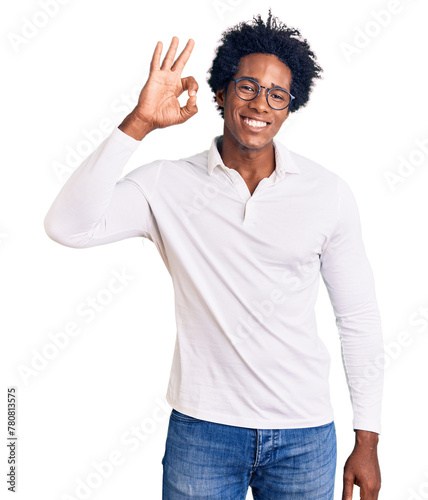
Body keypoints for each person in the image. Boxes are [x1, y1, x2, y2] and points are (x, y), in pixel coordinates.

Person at [44, 11, 384, 500]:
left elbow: (358, 318)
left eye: (277, 95)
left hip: (304, 436)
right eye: (247, 87)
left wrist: (367, 440)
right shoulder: (165, 184)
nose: (259, 105)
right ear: (221, 93)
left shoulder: (327, 194)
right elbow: (67, 226)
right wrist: (138, 123)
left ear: (290, 108)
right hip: (203, 431)